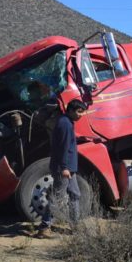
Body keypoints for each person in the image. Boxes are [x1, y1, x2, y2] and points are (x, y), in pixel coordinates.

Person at [35, 98, 88, 239]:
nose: (81, 115)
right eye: (78, 112)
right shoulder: (64, 124)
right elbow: (62, 148)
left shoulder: (67, 122)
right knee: (58, 198)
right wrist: (64, 168)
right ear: (70, 110)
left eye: (83, 112)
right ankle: (44, 227)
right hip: (63, 168)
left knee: (75, 194)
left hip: (69, 167)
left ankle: (75, 226)